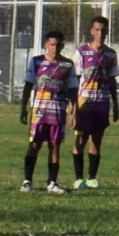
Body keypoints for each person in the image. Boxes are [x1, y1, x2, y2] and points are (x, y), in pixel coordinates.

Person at [20, 30, 78, 194]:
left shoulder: (67, 65)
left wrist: (74, 110)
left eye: (58, 45)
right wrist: (23, 107)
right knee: (35, 144)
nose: (55, 48)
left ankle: (52, 182)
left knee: (55, 146)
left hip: (58, 112)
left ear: (62, 46)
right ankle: (27, 181)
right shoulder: (36, 62)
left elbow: (73, 89)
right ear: (46, 45)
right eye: (52, 45)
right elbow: (28, 85)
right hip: (39, 112)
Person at [72, 14, 119, 189]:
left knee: (96, 140)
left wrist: (115, 105)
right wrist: (73, 105)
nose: (100, 33)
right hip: (85, 102)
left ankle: (92, 178)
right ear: (91, 31)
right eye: (97, 30)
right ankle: (78, 179)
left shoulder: (110, 54)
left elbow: (113, 80)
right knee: (81, 139)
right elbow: (75, 79)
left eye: (103, 30)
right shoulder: (81, 52)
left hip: (102, 102)